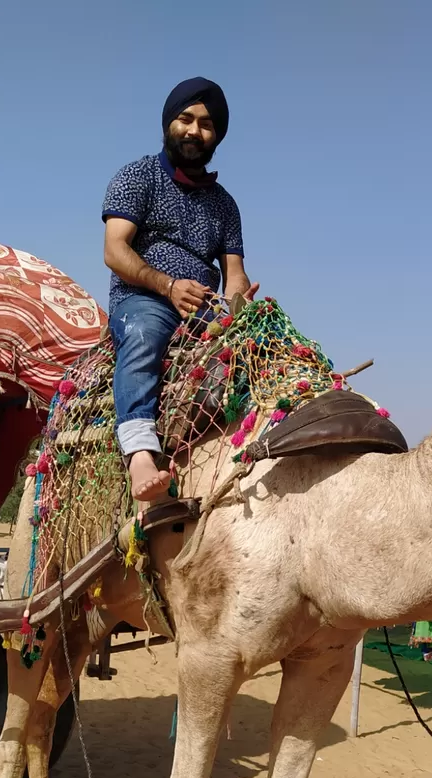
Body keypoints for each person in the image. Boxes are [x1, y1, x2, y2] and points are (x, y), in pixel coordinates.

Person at [102, 76, 256, 502]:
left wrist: (240, 303)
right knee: (145, 334)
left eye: (206, 124)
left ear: (216, 136)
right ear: (169, 122)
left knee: (256, 356)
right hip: (145, 300)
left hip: (204, 310)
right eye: (185, 119)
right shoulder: (138, 176)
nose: (194, 130)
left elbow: (234, 273)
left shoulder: (224, 203)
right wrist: (167, 286)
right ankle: (139, 454)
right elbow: (115, 250)